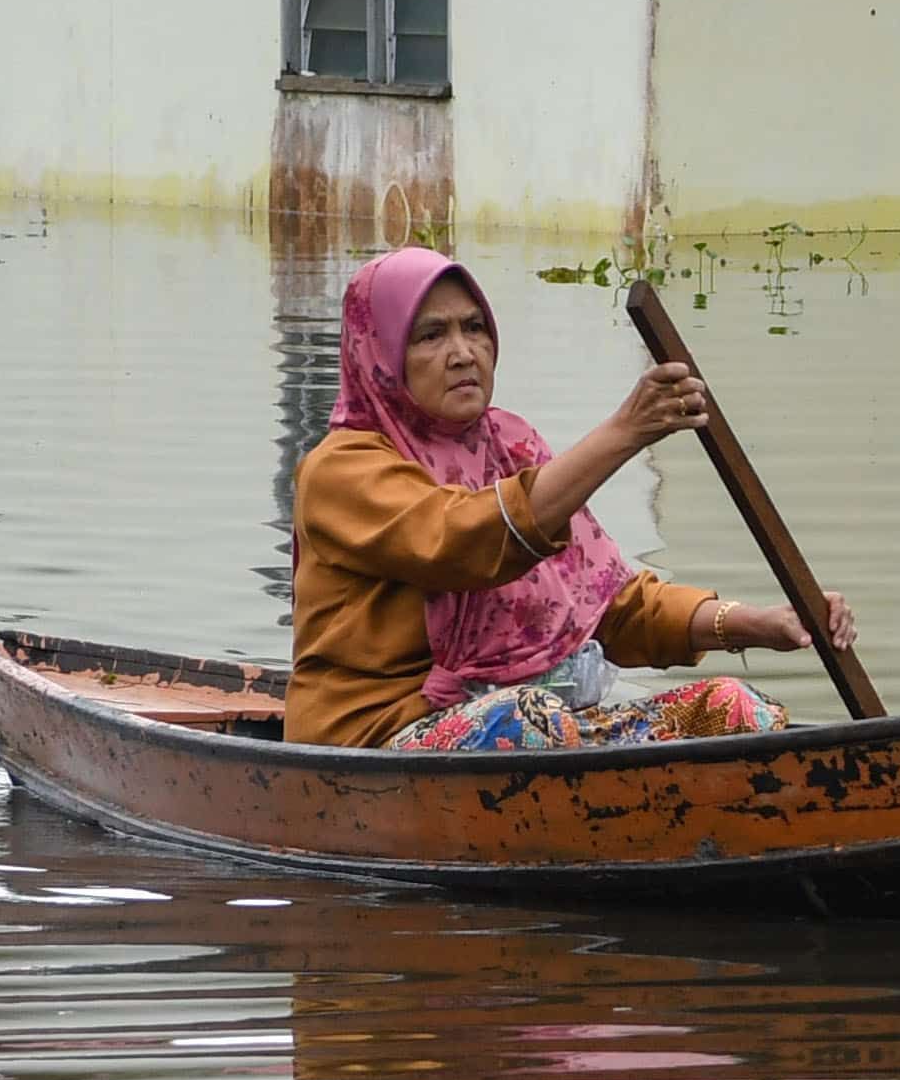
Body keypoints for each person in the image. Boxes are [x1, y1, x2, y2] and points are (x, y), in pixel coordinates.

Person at [285, 248, 857, 752]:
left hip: (531, 725)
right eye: (430, 336)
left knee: (734, 710)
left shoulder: (510, 446)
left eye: (474, 328)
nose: (463, 353)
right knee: (528, 719)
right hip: (378, 736)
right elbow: (463, 541)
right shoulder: (342, 470)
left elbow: (609, 605)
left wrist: (759, 624)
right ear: (379, 354)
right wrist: (624, 434)